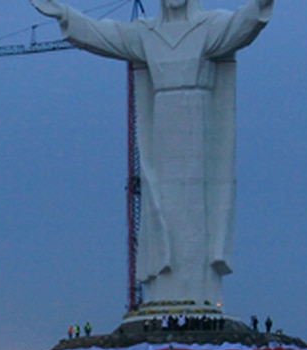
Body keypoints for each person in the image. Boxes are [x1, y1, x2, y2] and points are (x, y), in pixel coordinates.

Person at [30, 0, 273, 308]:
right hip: (161, 131)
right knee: (160, 207)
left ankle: (202, 296)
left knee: (198, 212)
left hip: (200, 130)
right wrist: (63, 13)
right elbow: (102, 34)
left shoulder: (210, 26)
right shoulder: (145, 33)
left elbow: (245, 23)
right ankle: (163, 291)